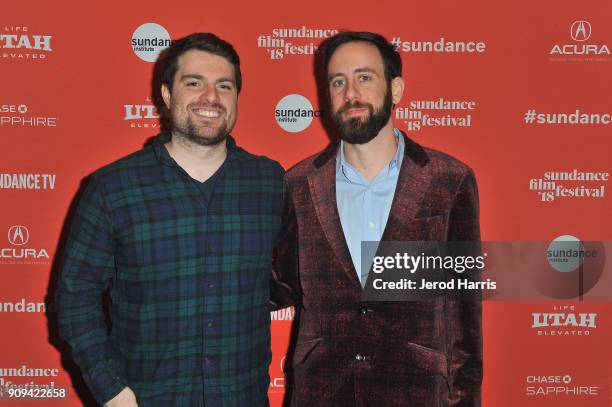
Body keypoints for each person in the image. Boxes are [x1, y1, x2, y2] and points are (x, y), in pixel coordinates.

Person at [56, 33, 284, 407]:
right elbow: (75, 296)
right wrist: (111, 389)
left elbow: (302, 273)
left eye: (224, 86)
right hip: (147, 399)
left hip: (242, 397)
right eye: (193, 83)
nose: (211, 97)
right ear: (166, 94)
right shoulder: (112, 188)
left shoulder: (271, 183)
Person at [273, 31, 482, 406]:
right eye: (338, 81)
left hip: (414, 392)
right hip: (321, 393)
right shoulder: (298, 184)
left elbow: (462, 316)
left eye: (364, 77)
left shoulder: (449, 180)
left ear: (396, 88)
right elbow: (280, 284)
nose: (351, 92)